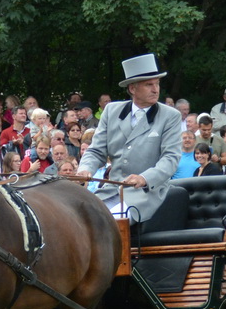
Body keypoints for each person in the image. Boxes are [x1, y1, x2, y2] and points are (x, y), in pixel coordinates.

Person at [76, 54, 185, 221]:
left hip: (147, 192)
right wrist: (85, 169)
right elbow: (96, 151)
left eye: (157, 84)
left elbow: (170, 159)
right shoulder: (112, 111)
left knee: (109, 221)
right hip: (111, 189)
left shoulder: (170, 116)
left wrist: (144, 178)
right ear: (132, 88)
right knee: (77, 217)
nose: (156, 89)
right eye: (149, 85)